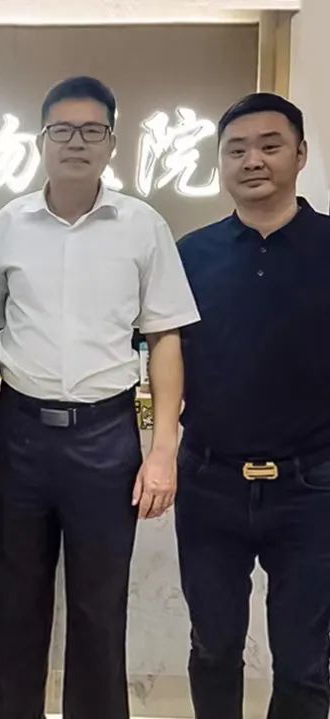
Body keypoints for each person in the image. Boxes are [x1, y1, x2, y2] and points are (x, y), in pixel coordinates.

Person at [0, 75, 200, 718]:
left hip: (106, 438)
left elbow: (166, 338)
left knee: (101, 612)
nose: (77, 142)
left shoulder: (142, 225)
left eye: (92, 130)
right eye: (63, 130)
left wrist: (162, 451)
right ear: (41, 140)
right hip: (18, 433)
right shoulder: (10, 223)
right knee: (16, 609)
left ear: (111, 142)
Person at [176, 93, 330, 719]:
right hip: (209, 481)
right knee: (213, 649)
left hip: (313, 487)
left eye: (270, 146)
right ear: (221, 163)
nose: (253, 161)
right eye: (236, 150)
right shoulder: (190, 256)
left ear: (301, 154)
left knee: (304, 664)